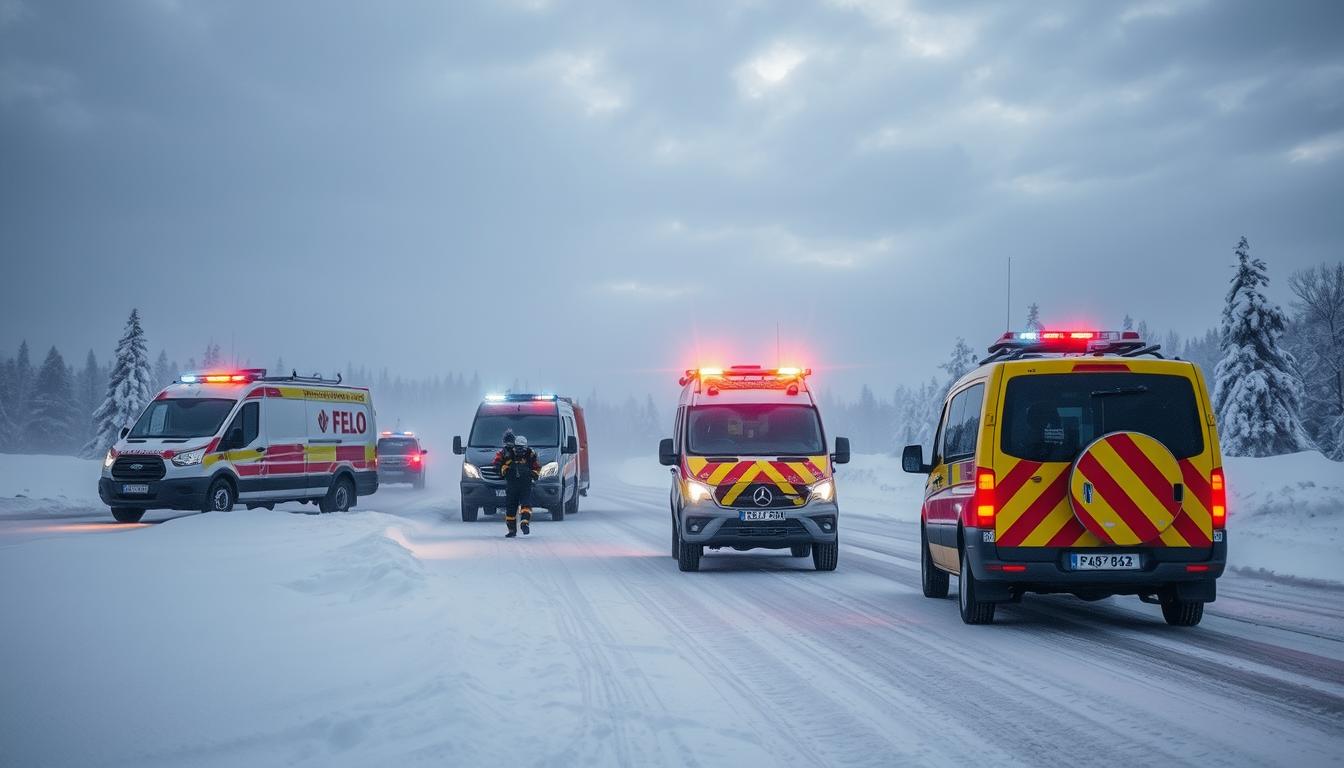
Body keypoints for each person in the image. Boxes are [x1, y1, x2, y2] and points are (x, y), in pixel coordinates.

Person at [493, 431, 541, 537]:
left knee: (526, 504)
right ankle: (511, 530)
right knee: (510, 507)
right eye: (518, 447)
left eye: (522, 448)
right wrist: (504, 470)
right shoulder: (507, 453)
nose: (520, 450)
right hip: (512, 484)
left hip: (525, 484)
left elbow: (537, 467)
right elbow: (497, 465)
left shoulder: (531, 454)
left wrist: (532, 474)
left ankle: (525, 524)